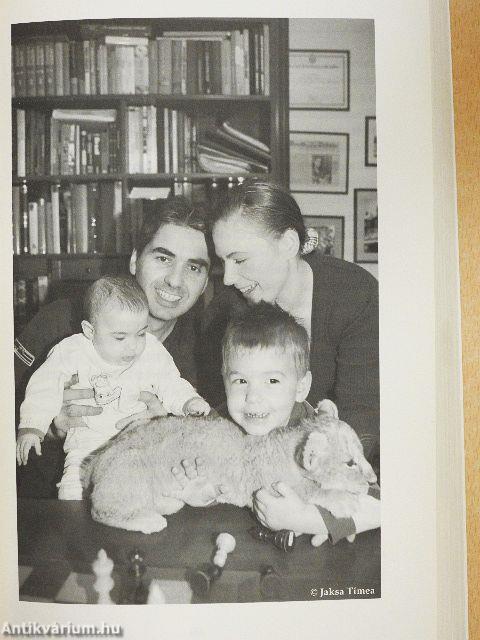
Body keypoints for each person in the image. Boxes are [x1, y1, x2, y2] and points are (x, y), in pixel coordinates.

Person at [15, 197, 212, 497]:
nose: (175, 280)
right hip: (50, 504)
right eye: (163, 258)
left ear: (206, 281)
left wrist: (171, 429)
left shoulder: (209, 347)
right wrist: (49, 427)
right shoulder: (60, 322)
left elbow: (217, 446)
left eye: (194, 267)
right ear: (134, 261)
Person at [200, 178, 379, 464]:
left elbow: (363, 415)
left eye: (240, 260)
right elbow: (221, 412)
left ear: (288, 244)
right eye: (223, 262)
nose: (228, 279)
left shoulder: (355, 294)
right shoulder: (225, 311)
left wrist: (310, 473)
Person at [174, 302, 380, 545]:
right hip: (238, 547)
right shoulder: (217, 428)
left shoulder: (315, 433)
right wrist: (201, 493)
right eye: (241, 381)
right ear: (224, 380)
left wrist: (306, 519)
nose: (253, 397)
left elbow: (379, 502)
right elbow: (206, 483)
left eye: (272, 381)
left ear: (301, 387)